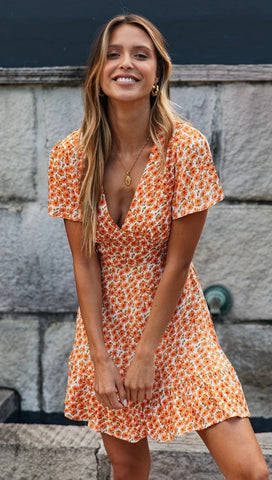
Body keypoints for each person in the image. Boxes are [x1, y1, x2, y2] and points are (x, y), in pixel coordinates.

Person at [48, 13, 269, 480]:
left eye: (140, 55)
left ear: (156, 74)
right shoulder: (71, 156)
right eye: (113, 54)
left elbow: (178, 262)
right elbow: (84, 261)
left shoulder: (185, 148)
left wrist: (147, 353)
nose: (125, 63)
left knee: (249, 470)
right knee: (128, 467)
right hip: (105, 325)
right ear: (97, 73)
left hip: (178, 324)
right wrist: (100, 357)